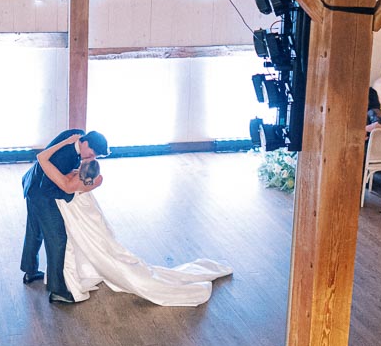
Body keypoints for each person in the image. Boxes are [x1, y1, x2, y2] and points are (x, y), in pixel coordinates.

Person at [33, 140, 232, 307]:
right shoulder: (96, 180)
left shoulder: (69, 183)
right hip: (92, 219)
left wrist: (67, 143)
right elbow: (86, 172)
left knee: (102, 254)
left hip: (84, 223)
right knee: (109, 249)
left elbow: (43, 159)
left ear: (79, 171)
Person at [21, 128, 108, 303]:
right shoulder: (66, 156)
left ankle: (30, 271)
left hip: (31, 182)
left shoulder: (76, 134)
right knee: (58, 238)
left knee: (34, 229)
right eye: (91, 153)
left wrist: (73, 174)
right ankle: (57, 289)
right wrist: (72, 189)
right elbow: (52, 187)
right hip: (41, 193)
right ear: (84, 143)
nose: (92, 158)